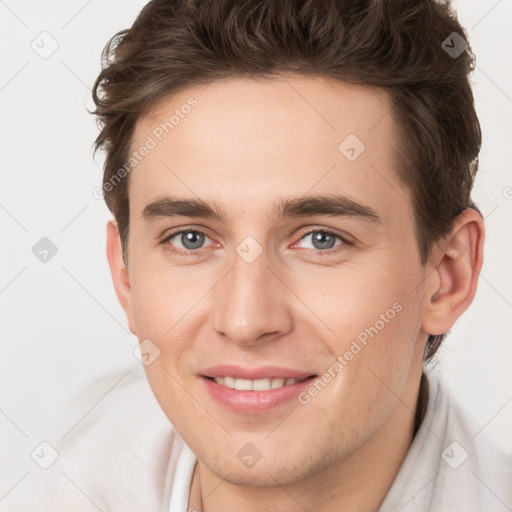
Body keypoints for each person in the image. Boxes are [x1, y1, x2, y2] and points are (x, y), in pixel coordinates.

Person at [10, 0, 511, 511]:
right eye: (190, 238)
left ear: (448, 274)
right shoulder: (74, 468)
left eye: (321, 239)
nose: (246, 321)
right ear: (126, 272)